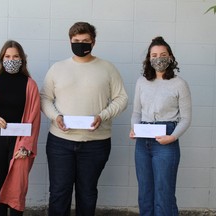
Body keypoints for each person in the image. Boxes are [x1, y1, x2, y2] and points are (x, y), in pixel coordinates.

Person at [40, 22, 128, 216]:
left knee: (87, 193)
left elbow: (122, 98)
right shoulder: (57, 68)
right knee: (58, 192)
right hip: (60, 143)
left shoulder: (107, 68)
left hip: (96, 144)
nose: (80, 44)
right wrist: (56, 117)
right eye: (76, 41)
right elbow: (44, 98)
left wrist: (102, 115)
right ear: (70, 41)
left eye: (85, 41)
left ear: (93, 42)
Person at [0, 40, 41, 216]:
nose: (11, 59)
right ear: (2, 59)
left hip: (20, 143)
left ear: (22, 59)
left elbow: (34, 119)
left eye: (16, 56)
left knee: (16, 189)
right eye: (8, 56)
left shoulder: (30, 85)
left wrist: (26, 146)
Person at [129, 36, 192, 216]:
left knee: (164, 193)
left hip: (167, 139)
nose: (158, 58)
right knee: (145, 192)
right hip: (143, 140)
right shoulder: (142, 82)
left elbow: (186, 118)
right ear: (149, 58)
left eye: (163, 54)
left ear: (170, 57)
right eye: (154, 55)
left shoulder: (179, 84)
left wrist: (172, 137)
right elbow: (136, 113)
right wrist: (134, 128)